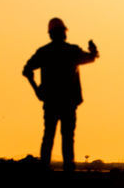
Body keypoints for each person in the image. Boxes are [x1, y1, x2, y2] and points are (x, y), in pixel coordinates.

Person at [22, 17, 99, 171]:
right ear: (63, 33)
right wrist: (93, 51)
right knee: (67, 138)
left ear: (50, 34)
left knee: (49, 136)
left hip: (52, 101)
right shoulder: (71, 51)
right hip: (68, 102)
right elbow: (91, 58)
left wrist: (37, 90)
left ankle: (44, 169)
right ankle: (68, 171)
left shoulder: (44, 52)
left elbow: (27, 70)